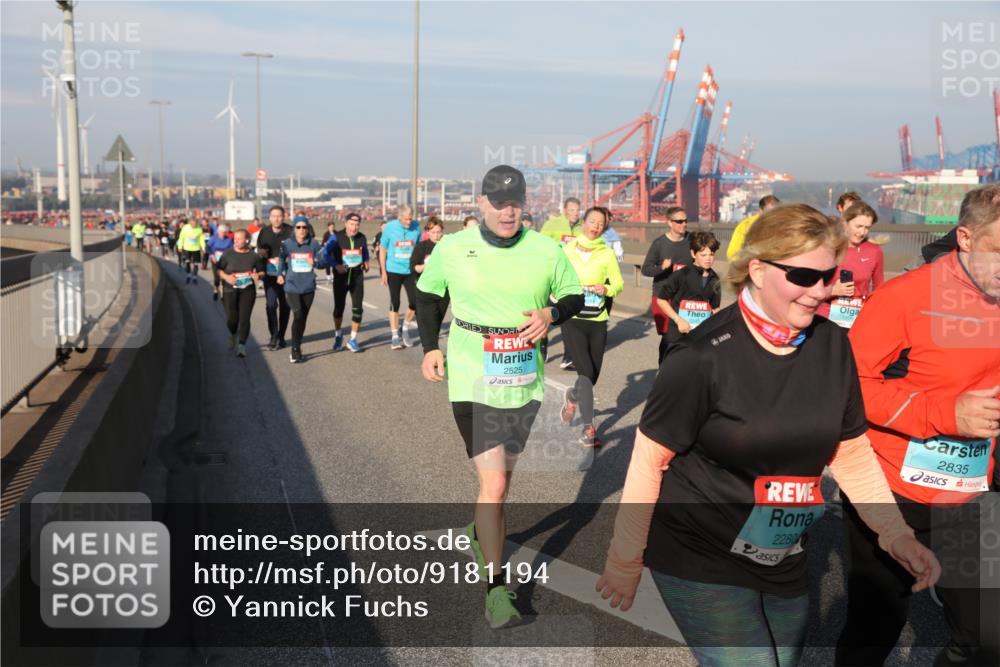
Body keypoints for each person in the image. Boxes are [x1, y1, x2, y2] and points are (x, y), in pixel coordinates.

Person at [597, 204, 940, 666]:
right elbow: (648, 461)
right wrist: (624, 559)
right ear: (757, 270)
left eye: (828, 276)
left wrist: (895, 534)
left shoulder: (833, 345)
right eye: (803, 276)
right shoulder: (699, 358)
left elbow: (851, 453)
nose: (820, 291)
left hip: (782, 551)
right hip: (700, 549)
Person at [836, 184, 1000, 667]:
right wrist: (947, 414)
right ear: (966, 239)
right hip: (892, 489)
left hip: (968, 494)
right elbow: (850, 389)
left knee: (984, 639)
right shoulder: (905, 298)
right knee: (875, 627)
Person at [416, 165, 583, 629]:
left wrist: (551, 312)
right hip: (472, 376)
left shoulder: (546, 250)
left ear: (524, 203)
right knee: (493, 486)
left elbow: (576, 297)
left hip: (523, 379)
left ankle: (480, 530)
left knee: (503, 482)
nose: (508, 211)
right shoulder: (453, 247)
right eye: (498, 202)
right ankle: (496, 588)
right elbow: (428, 298)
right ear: (482, 203)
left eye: (515, 202)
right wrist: (431, 347)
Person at [558, 206, 624, 447]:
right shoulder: (567, 250)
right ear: (583, 222)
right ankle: (589, 429)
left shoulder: (606, 254)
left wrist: (606, 289)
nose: (596, 226)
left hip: (597, 320)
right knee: (585, 372)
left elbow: (618, 282)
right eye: (592, 221)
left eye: (600, 223)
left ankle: (572, 396)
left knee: (592, 374)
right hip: (573, 319)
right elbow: (554, 277)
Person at [653, 231, 722, 365]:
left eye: (711, 254)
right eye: (703, 255)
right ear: (693, 254)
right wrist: (678, 320)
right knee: (669, 374)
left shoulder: (715, 279)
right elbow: (661, 299)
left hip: (700, 337)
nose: (708, 259)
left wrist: (709, 320)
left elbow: (716, 308)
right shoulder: (681, 275)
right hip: (676, 335)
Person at [816, 201, 884, 328]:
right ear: (845, 223)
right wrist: (833, 291)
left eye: (867, 227)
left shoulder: (874, 251)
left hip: (858, 319)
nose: (862, 232)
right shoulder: (830, 248)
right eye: (858, 226)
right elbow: (811, 287)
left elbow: (879, 288)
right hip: (826, 317)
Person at [277, 217, 332, 363]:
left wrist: (314, 261)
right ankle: (295, 349)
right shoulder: (287, 244)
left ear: (308, 229)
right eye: (298, 227)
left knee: (302, 319)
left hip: (308, 286)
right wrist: (280, 274)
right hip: (291, 285)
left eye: (304, 227)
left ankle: (297, 345)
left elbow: (323, 262)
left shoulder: (313, 244)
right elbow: (281, 258)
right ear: (294, 228)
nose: (302, 230)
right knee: (298, 314)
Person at [641, 206, 691, 335]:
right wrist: (661, 268)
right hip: (663, 297)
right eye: (679, 221)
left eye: (685, 220)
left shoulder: (691, 240)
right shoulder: (659, 243)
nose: (684, 224)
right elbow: (645, 270)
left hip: (685, 297)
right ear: (669, 223)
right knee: (667, 337)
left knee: (687, 336)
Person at [217, 229, 266, 358]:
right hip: (229, 290)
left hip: (247, 290)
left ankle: (242, 345)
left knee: (244, 319)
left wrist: (258, 275)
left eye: (239, 239)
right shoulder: (228, 254)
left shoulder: (253, 256)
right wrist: (226, 278)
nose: (236, 241)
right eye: (235, 239)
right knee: (232, 320)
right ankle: (233, 334)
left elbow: (262, 271)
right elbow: (219, 269)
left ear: (247, 240)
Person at [379, 205, 422, 349]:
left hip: (409, 270)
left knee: (415, 302)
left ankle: (405, 329)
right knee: (395, 302)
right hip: (393, 270)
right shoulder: (390, 228)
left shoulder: (416, 227)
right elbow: (383, 249)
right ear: (399, 217)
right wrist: (383, 271)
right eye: (406, 219)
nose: (409, 222)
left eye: (411, 219)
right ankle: (394, 336)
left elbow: (419, 248)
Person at [329, 212, 369, 353]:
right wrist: (336, 265)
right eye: (351, 224)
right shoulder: (336, 237)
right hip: (341, 278)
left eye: (357, 225)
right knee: (339, 309)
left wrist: (366, 261)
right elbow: (325, 254)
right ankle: (338, 335)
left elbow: (364, 252)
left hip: (357, 277)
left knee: (358, 309)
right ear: (345, 223)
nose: (354, 227)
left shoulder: (362, 237)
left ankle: (353, 339)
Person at [256, 206, 294, 350]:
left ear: (284, 217)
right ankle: (273, 335)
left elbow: (297, 250)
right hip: (270, 275)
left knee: (285, 306)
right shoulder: (264, 232)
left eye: (279, 216)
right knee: (271, 305)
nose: (276, 219)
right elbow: (260, 253)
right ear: (270, 217)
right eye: (274, 216)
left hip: (287, 274)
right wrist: (260, 269)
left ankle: (282, 336)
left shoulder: (291, 232)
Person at [410, 217, 449, 326]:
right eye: (433, 232)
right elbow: (414, 268)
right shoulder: (421, 247)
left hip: (443, 289)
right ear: (427, 232)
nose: (436, 235)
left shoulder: (446, 245)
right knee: (428, 321)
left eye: (439, 232)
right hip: (426, 289)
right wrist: (428, 266)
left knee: (437, 320)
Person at [725, 194, 781, 261]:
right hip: (750, 266)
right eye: (769, 212)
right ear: (761, 210)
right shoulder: (745, 226)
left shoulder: (782, 226)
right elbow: (733, 253)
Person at [206, 224, 234, 302]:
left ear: (226, 233)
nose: (222, 234)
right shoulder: (213, 238)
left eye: (224, 232)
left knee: (223, 277)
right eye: (220, 232)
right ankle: (215, 290)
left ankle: (222, 294)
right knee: (216, 277)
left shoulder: (228, 239)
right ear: (218, 232)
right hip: (215, 259)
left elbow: (231, 249)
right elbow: (207, 247)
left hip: (225, 260)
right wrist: (211, 254)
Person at [177, 218, 206, 284]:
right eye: (192, 224)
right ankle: (189, 275)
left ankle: (195, 277)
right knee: (188, 262)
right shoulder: (185, 228)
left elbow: (202, 239)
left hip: (196, 249)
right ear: (189, 223)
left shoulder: (199, 229)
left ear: (197, 223)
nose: (193, 225)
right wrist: (180, 246)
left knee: (196, 264)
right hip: (187, 248)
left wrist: (203, 248)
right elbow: (181, 237)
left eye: (195, 224)